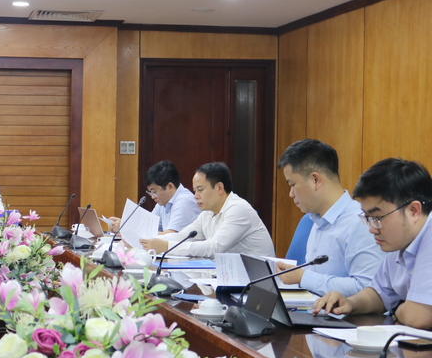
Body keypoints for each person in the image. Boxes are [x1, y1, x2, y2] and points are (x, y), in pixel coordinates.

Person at [313, 158, 432, 330]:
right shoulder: (398, 240)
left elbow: (419, 317)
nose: (372, 229)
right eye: (367, 218)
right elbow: (380, 293)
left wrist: (396, 309)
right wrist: (350, 303)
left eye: (377, 218)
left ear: (414, 211)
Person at [275, 139, 384, 295]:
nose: (291, 194)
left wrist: (303, 277)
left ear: (315, 180)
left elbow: (368, 289)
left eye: (292, 185)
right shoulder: (315, 220)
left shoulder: (360, 222)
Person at [140, 162, 275, 257]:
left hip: (256, 283)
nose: (195, 196)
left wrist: (166, 246)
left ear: (219, 188)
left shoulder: (238, 209)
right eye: (194, 190)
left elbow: (213, 248)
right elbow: (183, 237)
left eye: (200, 190)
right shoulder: (207, 213)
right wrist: (147, 240)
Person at [108, 160, 199, 234]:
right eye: (150, 192)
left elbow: (171, 236)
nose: (152, 197)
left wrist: (128, 228)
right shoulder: (163, 202)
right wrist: (124, 225)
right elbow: (148, 228)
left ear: (170, 187)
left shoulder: (185, 201)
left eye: (154, 192)